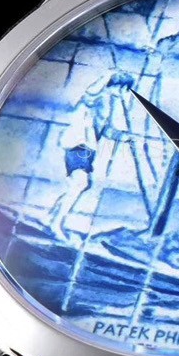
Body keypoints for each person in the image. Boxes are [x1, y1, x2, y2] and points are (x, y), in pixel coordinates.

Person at [49, 70, 133, 241]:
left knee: (81, 184)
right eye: (124, 89)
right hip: (78, 144)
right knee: (80, 183)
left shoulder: (109, 102)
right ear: (118, 87)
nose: (124, 93)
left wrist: (124, 137)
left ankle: (54, 213)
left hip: (87, 148)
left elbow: (105, 130)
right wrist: (107, 75)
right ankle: (56, 223)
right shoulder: (99, 97)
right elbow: (89, 95)